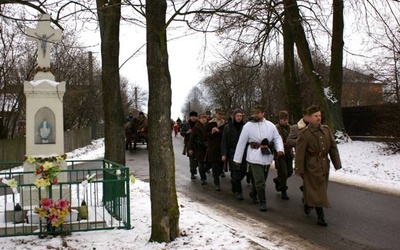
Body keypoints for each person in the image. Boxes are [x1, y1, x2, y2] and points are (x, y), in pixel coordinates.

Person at [294, 105, 342, 227]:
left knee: (320, 188)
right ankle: (321, 217)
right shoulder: (304, 133)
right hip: (311, 165)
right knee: (318, 190)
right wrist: (299, 168)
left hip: (324, 164)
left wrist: (337, 163)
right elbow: (300, 152)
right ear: (309, 118)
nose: (318, 118)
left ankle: (308, 202)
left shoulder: (326, 130)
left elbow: (333, 147)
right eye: (315, 116)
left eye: (319, 116)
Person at [233, 104, 284, 212]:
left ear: (263, 113)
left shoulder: (270, 125)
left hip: (267, 155)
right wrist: (237, 159)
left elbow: (277, 138)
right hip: (254, 156)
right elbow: (241, 142)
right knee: (260, 180)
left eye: (258, 113)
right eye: (254, 113)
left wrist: (280, 149)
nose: (256, 115)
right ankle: (262, 202)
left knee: (262, 179)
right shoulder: (248, 126)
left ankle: (254, 193)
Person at [221, 108, 247, 200]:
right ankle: (239, 192)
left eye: (240, 116)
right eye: (237, 116)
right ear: (234, 116)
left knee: (243, 171)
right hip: (232, 152)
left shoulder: (245, 127)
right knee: (236, 172)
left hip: (243, 153)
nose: (239, 118)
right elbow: (224, 142)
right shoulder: (228, 127)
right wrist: (224, 154)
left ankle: (234, 182)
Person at [273, 111, 294, 200]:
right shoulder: (276, 128)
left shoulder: (291, 128)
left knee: (289, 172)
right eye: (283, 119)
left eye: (286, 119)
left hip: (288, 152)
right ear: (280, 119)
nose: (285, 121)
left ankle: (278, 180)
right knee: (283, 173)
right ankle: (283, 191)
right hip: (280, 153)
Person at [204, 108, 226, 191]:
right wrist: (211, 132)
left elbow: (226, 134)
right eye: (219, 114)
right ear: (215, 114)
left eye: (221, 114)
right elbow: (205, 135)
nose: (220, 115)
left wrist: (219, 131)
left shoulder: (224, 124)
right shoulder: (210, 124)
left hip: (221, 148)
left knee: (220, 167)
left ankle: (207, 168)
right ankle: (217, 183)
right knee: (215, 166)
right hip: (212, 148)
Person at [188, 113, 209, 184]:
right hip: (199, 148)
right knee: (201, 164)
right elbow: (191, 139)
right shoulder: (196, 128)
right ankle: (203, 178)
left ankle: (204, 171)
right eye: (202, 118)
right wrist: (190, 148)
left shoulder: (209, 126)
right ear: (199, 119)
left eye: (205, 118)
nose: (203, 119)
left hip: (208, 148)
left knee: (209, 163)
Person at [182, 111, 199, 179]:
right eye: (192, 116)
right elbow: (181, 132)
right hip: (189, 143)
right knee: (192, 159)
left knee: (198, 158)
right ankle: (192, 172)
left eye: (195, 116)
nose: (193, 117)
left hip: (198, 143)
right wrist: (186, 132)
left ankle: (195, 168)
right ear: (190, 117)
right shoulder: (186, 124)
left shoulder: (199, 123)